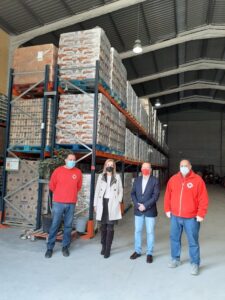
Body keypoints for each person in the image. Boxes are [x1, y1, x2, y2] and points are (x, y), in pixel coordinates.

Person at [164, 159, 209, 275]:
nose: (183, 167)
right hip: (175, 216)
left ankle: (195, 263)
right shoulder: (173, 179)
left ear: (190, 166)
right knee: (174, 238)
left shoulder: (198, 180)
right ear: (179, 167)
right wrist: (167, 209)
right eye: (181, 165)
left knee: (193, 241)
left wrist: (201, 214)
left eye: (186, 165)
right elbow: (167, 195)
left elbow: (203, 199)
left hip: (191, 217)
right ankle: (175, 259)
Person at [45, 153, 82, 258]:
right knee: (55, 225)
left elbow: (78, 187)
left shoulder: (78, 172)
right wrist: (61, 193)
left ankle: (65, 247)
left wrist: (70, 194)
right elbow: (52, 185)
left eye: (74, 160)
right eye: (70, 159)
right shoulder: (58, 171)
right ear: (65, 160)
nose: (72, 161)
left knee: (68, 226)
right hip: (58, 203)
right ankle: (49, 248)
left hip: (71, 203)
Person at [130, 162, 160, 263]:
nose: (145, 169)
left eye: (147, 168)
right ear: (141, 169)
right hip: (138, 210)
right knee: (137, 231)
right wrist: (137, 205)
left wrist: (145, 205)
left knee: (150, 232)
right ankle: (137, 251)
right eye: (144, 168)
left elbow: (155, 196)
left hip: (149, 210)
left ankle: (149, 253)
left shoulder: (154, 181)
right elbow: (133, 193)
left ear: (150, 170)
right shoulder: (137, 180)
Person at [94, 159, 123, 258]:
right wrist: (95, 204)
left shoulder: (117, 177)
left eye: (111, 165)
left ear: (114, 167)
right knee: (103, 227)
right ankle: (103, 245)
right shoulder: (101, 177)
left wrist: (118, 200)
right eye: (108, 164)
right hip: (102, 203)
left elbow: (121, 190)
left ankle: (108, 248)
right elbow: (97, 191)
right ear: (105, 166)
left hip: (112, 204)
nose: (110, 166)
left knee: (110, 227)